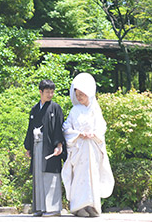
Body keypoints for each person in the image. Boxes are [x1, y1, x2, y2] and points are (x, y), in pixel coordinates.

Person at [62, 73, 114, 217]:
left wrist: (93, 134)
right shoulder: (74, 111)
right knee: (80, 178)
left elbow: (102, 127)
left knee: (93, 176)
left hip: (92, 148)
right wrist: (78, 134)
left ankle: (92, 206)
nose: (79, 98)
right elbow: (66, 128)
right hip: (79, 150)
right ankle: (78, 207)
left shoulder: (95, 110)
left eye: (82, 94)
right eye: (77, 95)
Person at [23, 80, 65, 217]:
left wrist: (59, 145)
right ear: (40, 92)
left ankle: (53, 208)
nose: (50, 94)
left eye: (52, 92)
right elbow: (30, 129)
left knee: (51, 175)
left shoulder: (55, 108)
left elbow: (59, 128)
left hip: (50, 146)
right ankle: (40, 208)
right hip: (36, 146)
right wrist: (28, 147)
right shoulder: (35, 109)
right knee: (38, 175)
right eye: (47, 92)